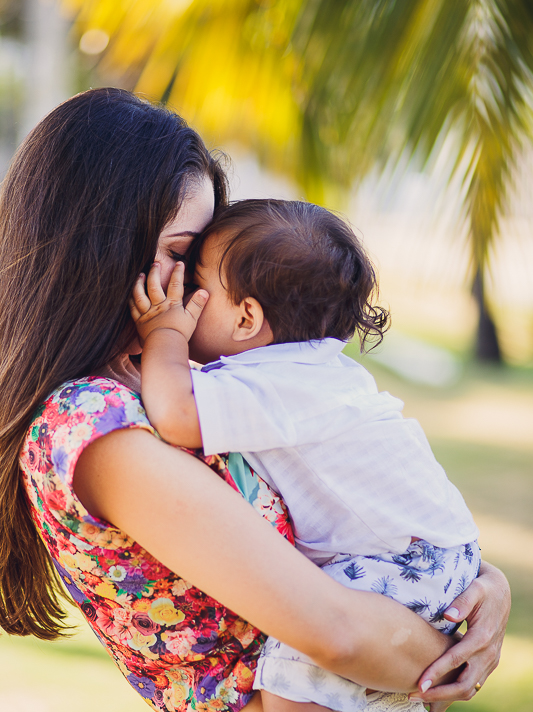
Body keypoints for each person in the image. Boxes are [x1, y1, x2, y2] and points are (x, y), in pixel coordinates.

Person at [0, 88, 509, 712]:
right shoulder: (92, 428)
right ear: (99, 242)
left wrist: (481, 585)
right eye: (182, 254)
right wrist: (460, 638)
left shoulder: (171, 377)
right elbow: (339, 635)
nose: (194, 289)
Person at [130, 199, 481, 712]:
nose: (178, 292)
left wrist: (162, 334)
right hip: (440, 553)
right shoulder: (312, 370)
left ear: (247, 316)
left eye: (194, 281)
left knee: (295, 671)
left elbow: (176, 415)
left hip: (400, 564)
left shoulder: (271, 383)